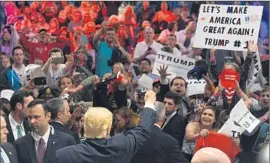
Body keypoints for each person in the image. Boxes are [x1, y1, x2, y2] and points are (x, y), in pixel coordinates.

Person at [56, 90, 157, 163]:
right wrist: (149, 104)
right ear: (108, 129)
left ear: (85, 127)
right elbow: (143, 130)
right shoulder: (122, 146)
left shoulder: (65, 154)